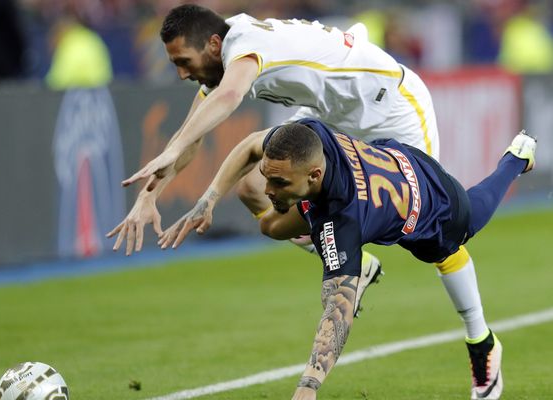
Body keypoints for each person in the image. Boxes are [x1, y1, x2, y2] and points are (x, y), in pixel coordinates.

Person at [106, 5, 494, 394]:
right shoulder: (222, 60)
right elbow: (189, 136)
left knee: (434, 230)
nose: (181, 73)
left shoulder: (243, 48)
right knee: (251, 188)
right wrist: (149, 195)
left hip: (390, 106)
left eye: (183, 62)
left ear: (212, 44)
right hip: (334, 115)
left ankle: (482, 343)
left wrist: (177, 161)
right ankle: (355, 262)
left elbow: (229, 97)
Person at [158, 118, 537, 400]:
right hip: (392, 158)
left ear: (314, 174)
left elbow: (336, 313)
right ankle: (357, 265)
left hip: (431, 206)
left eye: (280, 184)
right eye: (269, 178)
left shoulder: (343, 220)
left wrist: (308, 385)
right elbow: (252, 146)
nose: (270, 188)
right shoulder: (307, 135)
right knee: (260, 211)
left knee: (470, 219)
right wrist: (208, 199)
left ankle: (515, 159)